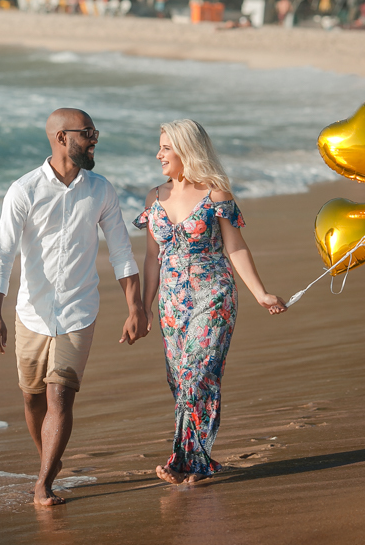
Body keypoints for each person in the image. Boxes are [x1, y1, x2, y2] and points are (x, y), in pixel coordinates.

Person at [0, 108, 148, 506]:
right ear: (61, 137)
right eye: (88, 132)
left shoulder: (101, 190)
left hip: (79, 310)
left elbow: (122, 252)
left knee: (60, 394)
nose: (95, 140)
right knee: (32, 397)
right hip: (32, 313)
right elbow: (2, 256)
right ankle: (49, 460)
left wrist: (136, 307)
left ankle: (43, 483)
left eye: (95, 132)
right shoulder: (23, 190)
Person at [135, 119, 286, 485]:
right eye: (160, 146)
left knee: (196, 376)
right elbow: (151, 257)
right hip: (171, 305)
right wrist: (141, 306)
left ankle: (181, 462)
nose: (159, 154)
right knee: (179, 382)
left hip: (213, 295)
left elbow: (235, 246)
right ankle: (198, 462)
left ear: (187, 151)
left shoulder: (215, 194)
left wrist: (260, 293)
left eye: (166, 148)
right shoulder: (154, 197)